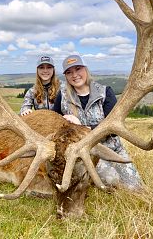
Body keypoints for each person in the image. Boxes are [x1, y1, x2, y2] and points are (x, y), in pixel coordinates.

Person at [53, 54, 142, 190]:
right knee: (114, 182)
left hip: (113, 149)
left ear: (86, 70)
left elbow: (114, 127)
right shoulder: (63, 96)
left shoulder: (105, 93)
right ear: (66, 76)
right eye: (69, 72)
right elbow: (54, 121)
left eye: (78, 69)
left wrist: (81, 127)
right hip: (86, 155)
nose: (74, 75)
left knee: (135, 188)